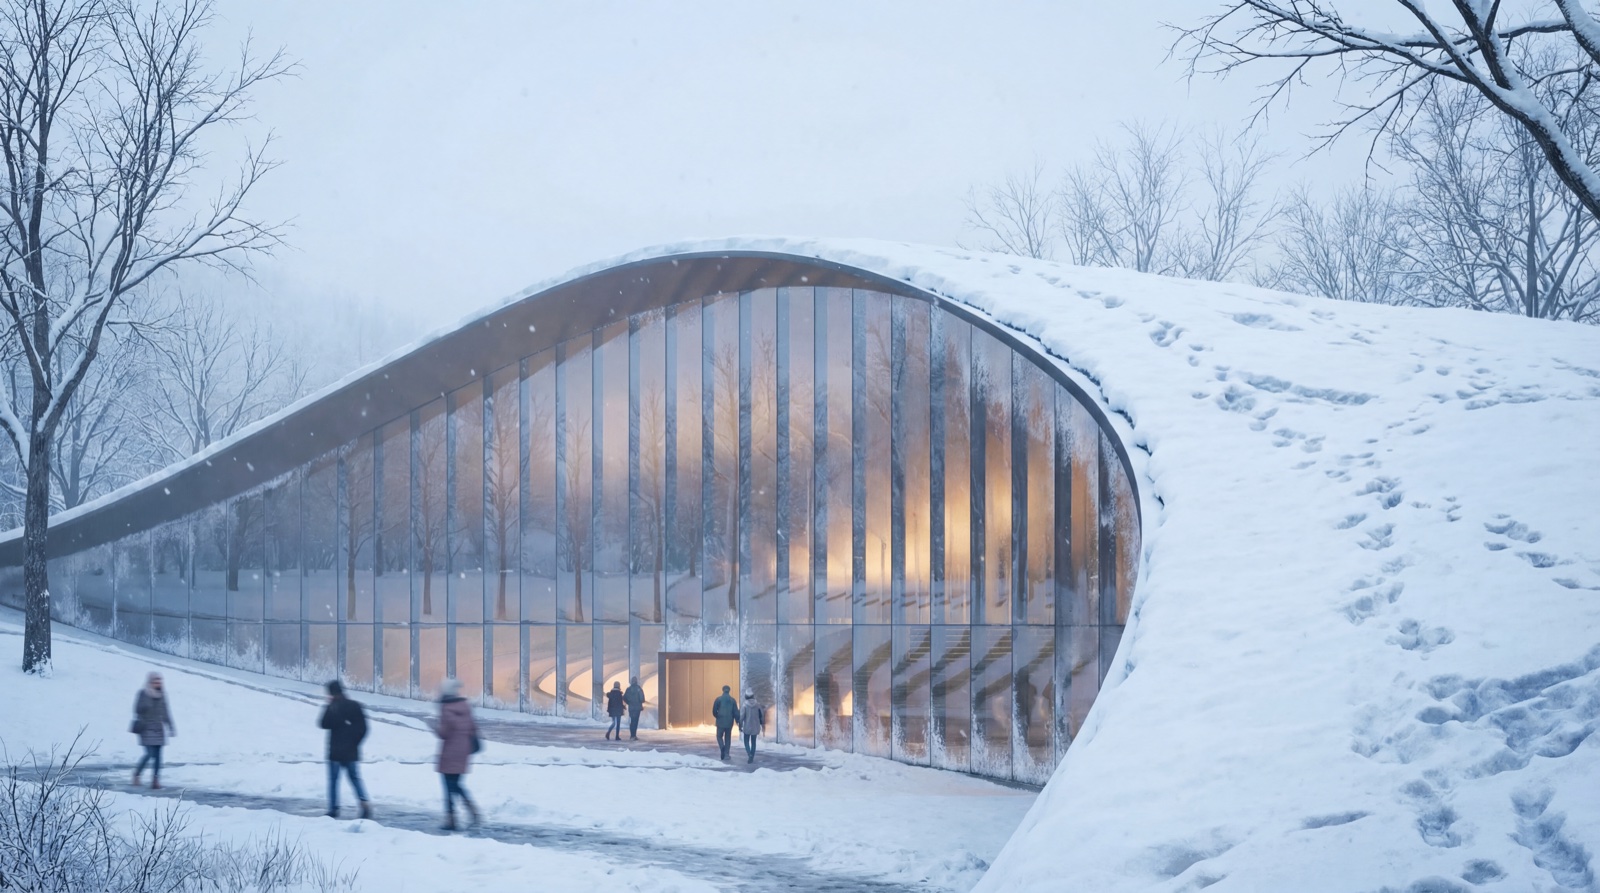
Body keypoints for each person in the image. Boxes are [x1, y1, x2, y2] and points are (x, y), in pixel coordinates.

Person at [318, 679, 371, 819]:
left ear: (332, 693)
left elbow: (322, 724)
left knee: (333, 781)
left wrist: (330, 709)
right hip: (351, 751)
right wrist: (356, 743)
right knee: (355, 778)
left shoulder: (332, 707)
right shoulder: (355, 706)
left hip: (335, 751)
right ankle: (365, 804)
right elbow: (364, 728)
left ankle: (333, 809)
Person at [434, 677, 480, 831]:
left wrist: (435, 726)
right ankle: (470, 809)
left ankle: (452, 818)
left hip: (449, 752)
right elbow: (473, 728)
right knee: (456, 783)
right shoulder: (465, 706)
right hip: (464, 751)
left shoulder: (446, 709)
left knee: (448, 785)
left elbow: (443, 733)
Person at [131, 672, 174, 789]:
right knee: (149, 754)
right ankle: (137, 774)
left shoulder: (162, 695)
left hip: (158, 729)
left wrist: (170, 726)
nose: (158, 683)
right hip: (145, 728)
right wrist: (147, 703)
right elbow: (137, 709)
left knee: (159, 756)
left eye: (159, 681)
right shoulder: (143, 693)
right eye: (155, 681)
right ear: (150, 682)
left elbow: (166, 711)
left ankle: (155, 780)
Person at [711, 684, 739, 761]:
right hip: (729, 722)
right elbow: (736, 712)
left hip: (720, 721)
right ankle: (726, 754)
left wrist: (718, 716)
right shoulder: (733, 700)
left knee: (719, 736)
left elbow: (714, 711)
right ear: (729, 691)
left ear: (723, 690)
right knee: (728, 738)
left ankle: (722, 747)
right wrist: (738, 721)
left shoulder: (718, 699)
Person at [738, 689, 766, 764]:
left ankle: (749, 753)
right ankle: (752, 756)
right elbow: (761, 715)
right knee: (753, 742)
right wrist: (762, 724)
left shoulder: (744, 705)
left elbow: (741, 716)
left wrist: (740, 725)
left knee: (746, 741)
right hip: (755, 726)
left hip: (747, 726)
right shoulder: (758, 705)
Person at [623, 676, 645, 740]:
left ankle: (631, 735)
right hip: (637, 708)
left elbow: (624, 698)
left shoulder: (628, 689)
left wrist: (629, 703)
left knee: (632, 721)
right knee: (635, 721)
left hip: (631, 708)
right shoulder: (639, 689)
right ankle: (634, 735)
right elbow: (642, 699)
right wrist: (640, 702)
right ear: (636, 681)